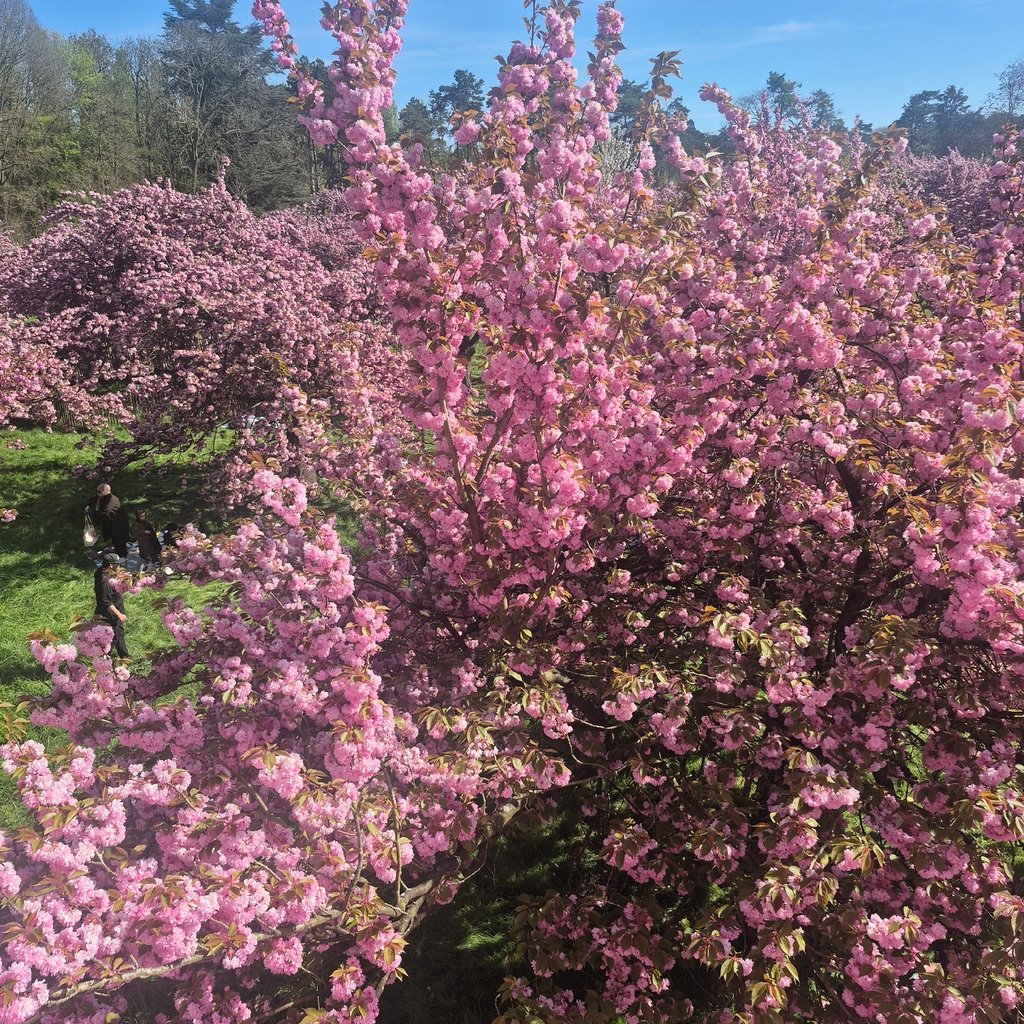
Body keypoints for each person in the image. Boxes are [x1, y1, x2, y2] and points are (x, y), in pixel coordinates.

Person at [93, 552, 129, 659]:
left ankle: (125, 657)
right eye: (117, 564)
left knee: (119, 633)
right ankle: (103, 660)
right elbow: (106, 602)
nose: (119, 566)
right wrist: (119, 614)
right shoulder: (105, 581)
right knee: (112, 638)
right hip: (110, 614)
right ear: (111, 565)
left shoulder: (104, 572)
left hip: (114, 611)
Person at [87, 483, 131, 558]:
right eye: (96, 491)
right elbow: (93, 500)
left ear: (105, 491)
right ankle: (119, 555)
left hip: (118, 525)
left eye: (99, 492)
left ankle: (122, 557)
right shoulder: (102, 497)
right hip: (111, 524)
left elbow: (104, 512)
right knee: (115, 541)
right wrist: (88, 506)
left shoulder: (111, 499)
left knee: (119, 542)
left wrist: (93, 514)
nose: (97, 493)